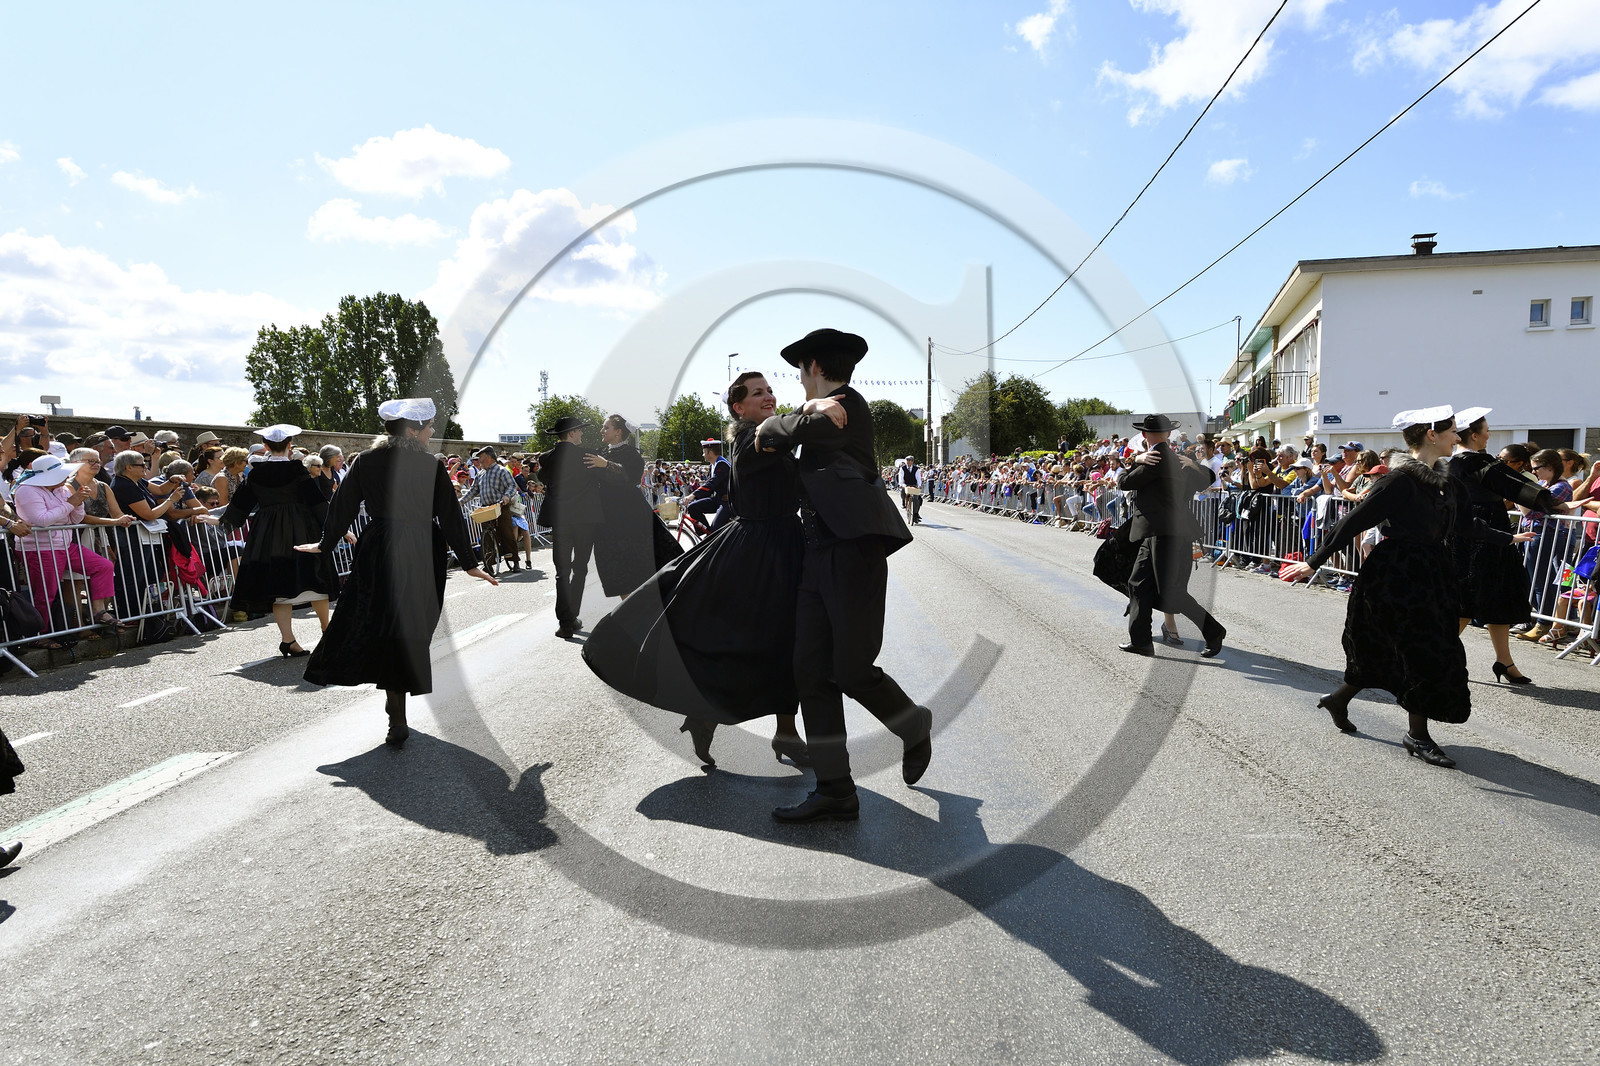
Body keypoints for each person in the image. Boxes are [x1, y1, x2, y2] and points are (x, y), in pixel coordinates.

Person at [583, 374, 844, 767]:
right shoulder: (750, 438)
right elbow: (793, 429)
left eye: (770, 390)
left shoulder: (766, 433)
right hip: (759, 550)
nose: (769, 396)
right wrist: (813, 405)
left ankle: (784, 731)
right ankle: (709, 715)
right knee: (746, 638)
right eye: (758, 393)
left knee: (788, 640)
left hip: (786, 544)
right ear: (738, 407)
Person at [755, 329, 932, 823]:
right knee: (811, 672)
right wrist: (807, 410)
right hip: (818, 553)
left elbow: (770, 433)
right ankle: (835, 789)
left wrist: (807, 413)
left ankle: (913, 723)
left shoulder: (845, 407)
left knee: (852, 670)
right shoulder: (824, 409)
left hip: (852, 552)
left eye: (798, 371)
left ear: (812, 365)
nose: (796, 381)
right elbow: (766, 436)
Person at [299, 399, 498, 748]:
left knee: (381, 622)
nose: (433, 431)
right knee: (410, 627)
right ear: (412, 430)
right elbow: (450, 516)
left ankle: (396, 712)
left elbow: (343, 503)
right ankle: (397, 710)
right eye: (429, 426)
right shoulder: (429, 465)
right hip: (421, 548)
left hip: (379, 547)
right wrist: (469, 562)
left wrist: (325, 542)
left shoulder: (365, 461)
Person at [1282, 407, 1469, 768]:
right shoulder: (1398, 481)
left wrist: (1506, 538)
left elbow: (1465, 525)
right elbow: (1353, 521)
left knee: (1400, 650)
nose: (1457, 437)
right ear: (1431, 434)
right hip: (1395, 575)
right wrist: (1314, 561)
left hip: (1434, 575)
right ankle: (1418, 735)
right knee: (1418, 650)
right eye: (1452, 431)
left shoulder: (1449, 481)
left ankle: (1338, 700)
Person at [1447, 407, 1548, 684]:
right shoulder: (1469, 462)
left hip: (1491, 530)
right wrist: (1552, 501)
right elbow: (1513, 486)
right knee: (1467, 598)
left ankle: (1504, 661)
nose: (1489, 434)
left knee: (1499, 596)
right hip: (1476, 534)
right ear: (1476, 435)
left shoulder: (1477, 461)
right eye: (1487, 430)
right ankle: (1436, 656)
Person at [220, 424, 338, 657]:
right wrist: (338, 527)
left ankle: (288, 640)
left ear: (265, 447)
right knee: (314, 579)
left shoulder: (256, 473)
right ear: (289, 445)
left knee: (279, 586)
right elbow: (317, 503)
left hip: (269, 534)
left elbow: (240, 506)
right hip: (301, 530)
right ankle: (327, 631)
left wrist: (217, 520)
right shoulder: (297, 470)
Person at [1115, 414, 1226, 658]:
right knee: (1138, 585)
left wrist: (1134, 459)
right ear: (1167, 434)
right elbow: (1206, 478)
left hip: (1164, 532)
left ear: (1144, 435)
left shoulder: (1156, 457)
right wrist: (1191, 463)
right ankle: (1141, 640)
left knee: (1171, 591)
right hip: (1160, 531)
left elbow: (1124, 482)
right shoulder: (1175, 456)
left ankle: (1213, 630)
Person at [586, 414, 683, 597]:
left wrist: (606, 465)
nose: (602, 430)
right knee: (616, 567)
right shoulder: (601, 452)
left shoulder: (631, 454)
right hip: (607, 517)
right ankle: (630, 613)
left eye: (606, 427)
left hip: (630, 515)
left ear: (618, 432)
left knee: (638, 562)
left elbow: (630, 477)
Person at [535, 416, 603, 638]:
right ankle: (571, 615)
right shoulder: (587, 456)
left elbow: (543, 477)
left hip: (561, 521)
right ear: (572, 433)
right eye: (580, 431)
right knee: (580, 568)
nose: (582, 434)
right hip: (585, 520)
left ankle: (565, 621)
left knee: (561, 572)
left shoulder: (547, 458)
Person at [461, 447, 521, 572]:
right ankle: (489, 563)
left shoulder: (502, 471)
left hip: (500, 507)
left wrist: (506, 496)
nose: (479, 461)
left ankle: (514, 561)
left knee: (506, 533)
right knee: (486, 535)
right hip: (486, 508)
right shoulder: (480, 474)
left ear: (488, 457)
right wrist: (461, 502)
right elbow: (473, 491)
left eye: (480, 457)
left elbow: (511, 486)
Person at [683, 439, 731, 531]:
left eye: (704, 452)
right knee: (693, 507)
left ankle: (711, 536)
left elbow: (712, 483)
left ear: (711, 452)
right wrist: (695, 498)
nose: (703, 455)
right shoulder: (713, 465)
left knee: (715, 529)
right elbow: (710, 489)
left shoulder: (722, 464)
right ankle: (706, 534)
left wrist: (693, 495)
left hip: (728, 501)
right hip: (718, 498)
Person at [899, 454, 925, 525]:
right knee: (903, 490)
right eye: (907, 460)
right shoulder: (903, 468)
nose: (908, 462)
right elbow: (901, 477)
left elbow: (918, 478)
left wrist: (919, 485)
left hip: (913, 485)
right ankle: (903, 502)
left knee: (917, 498)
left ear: (912, 461)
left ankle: (916, 514)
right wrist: (901, 484)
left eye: (910, 460)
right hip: (906, 484)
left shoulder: (916, 469)